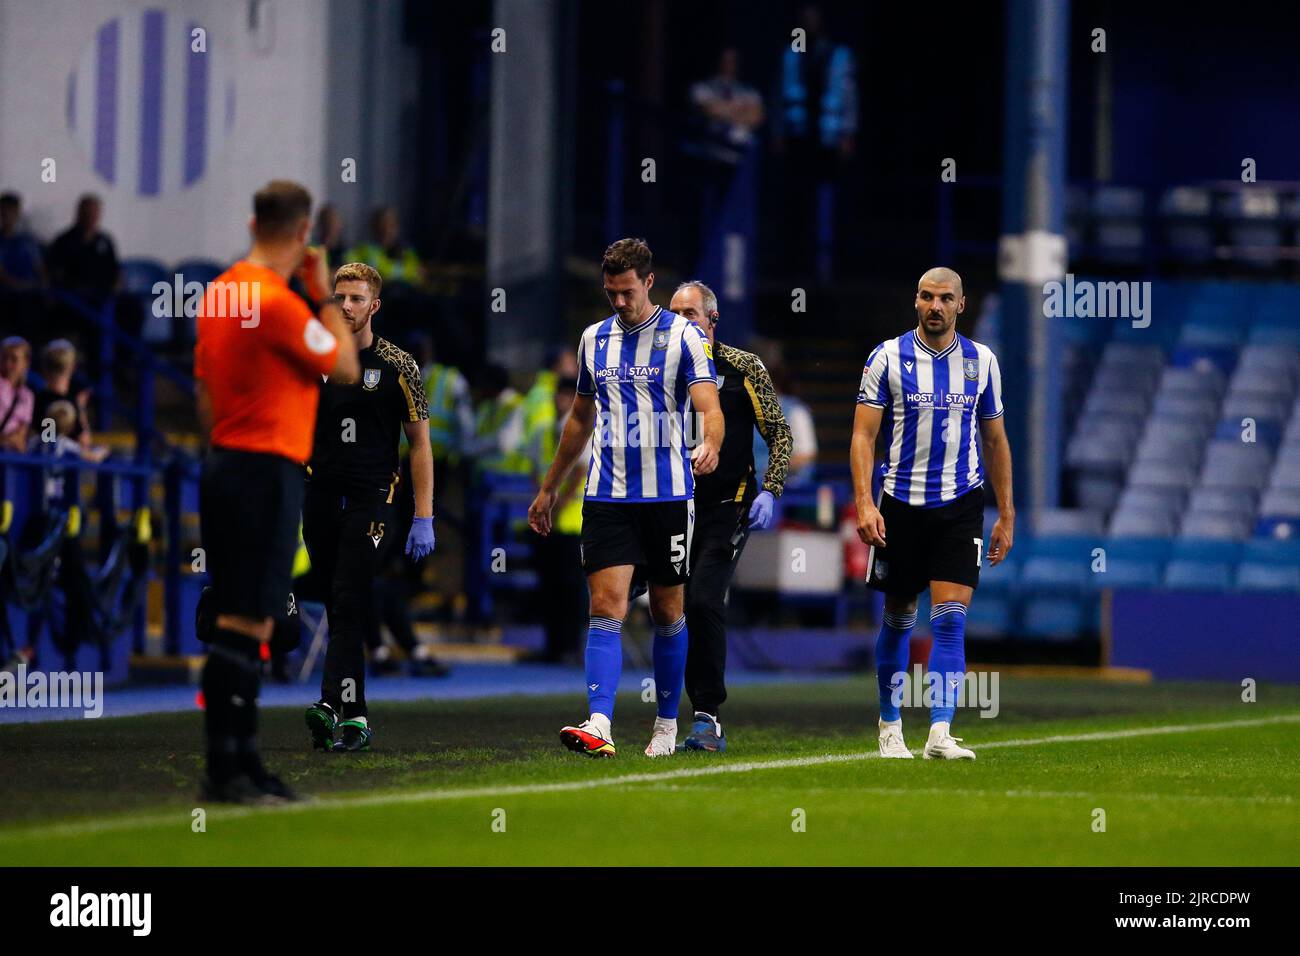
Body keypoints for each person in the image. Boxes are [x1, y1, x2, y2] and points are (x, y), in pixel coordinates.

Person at [194, 180, 358, 802]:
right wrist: (321, 295)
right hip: (266, 467)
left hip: (225, 462)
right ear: (300, 233)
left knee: (245, 616)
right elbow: (342, 365)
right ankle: (231, 770)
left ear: (251, 221)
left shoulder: (218, 294)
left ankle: (239, 765)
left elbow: (205, 391)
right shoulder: (276, 300)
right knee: (249, 619)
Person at [528, 237, 723, 758]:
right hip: (608, 497)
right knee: (605, 607)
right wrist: (549, 489)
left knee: (666, 611)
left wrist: (710, 440)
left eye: (627, 292)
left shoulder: (684, 336)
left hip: (668, 497)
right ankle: (600, 723)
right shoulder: (593, 340)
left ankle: (663, 723)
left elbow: (709, 402)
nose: (618, 302)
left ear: (649, 282)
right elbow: (580, 418)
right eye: (611, 293)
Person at [850, 267, 1015, 761]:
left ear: (961, 305)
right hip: (899, 504)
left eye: (945, 298)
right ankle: (890, 725)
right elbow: (862, 437)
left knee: (949, 621)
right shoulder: (886, 357)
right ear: (916, 301)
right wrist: (863, 501)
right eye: (926, 296)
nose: (934, 306)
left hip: (961, 505)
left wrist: (1005, 513)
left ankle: (940, 731)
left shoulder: (982, 362)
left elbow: (994, 439)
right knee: (899, 618)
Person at [302, 262, 435, 753]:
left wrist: (424, 516)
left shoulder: (400, 365)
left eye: (357, 299)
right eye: (340, 297)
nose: (347, 306)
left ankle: (328, 704)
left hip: (375, 497)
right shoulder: (317, 358)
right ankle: (354, 713)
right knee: (338, 600)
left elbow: (419, 443)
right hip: (319, 491)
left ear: (374, 306)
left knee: (348, 593)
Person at [669, 281, 792, 752]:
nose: (681, 321)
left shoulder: (743, 367)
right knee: (667, 608)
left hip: (726, 507)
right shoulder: (660, 369)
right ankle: (652, 718)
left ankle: (706, 716)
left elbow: (780, 433)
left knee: (701, 599)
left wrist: (770, 491)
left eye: (691, 313)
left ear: (712, 320)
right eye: (674, 313)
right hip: (668, 507)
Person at [526, 374, 589, 663]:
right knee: (548, 586)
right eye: (559, 394)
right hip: (547, 524)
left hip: (572, 523)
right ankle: (553, 647)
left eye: (566, 395)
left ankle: (571, 646)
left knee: (571, 588)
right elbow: (534, 470)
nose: (560, 400)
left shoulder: (579, 429)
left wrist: (555, 503)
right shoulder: (543, 432)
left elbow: (580, 471)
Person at [47, 194, 120, 305]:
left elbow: (115, 270)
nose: (90, 217)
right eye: (87, 212)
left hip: (102, 295)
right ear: (79, 213)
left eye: (94, 213)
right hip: (74, 296)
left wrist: (115, 288)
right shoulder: (64, 240)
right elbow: (55, 272)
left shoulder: (105, 241)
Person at [690, 48, 765, 146]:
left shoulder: (749, 91)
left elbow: (757, 117)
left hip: (743, 147)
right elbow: (710, 110)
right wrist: (741, 110)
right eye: (725, 60)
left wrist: (724, 109)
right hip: (710, 146)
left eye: (733, 61)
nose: (728, 65)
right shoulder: (701, 88)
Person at [32, 340, 94, 446]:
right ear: (72, 367)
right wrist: (81, 407)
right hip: (63, 460)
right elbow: (84, 441)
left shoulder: (37, 398)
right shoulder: (70, 402)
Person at [345, 206, 424, 285]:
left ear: (397, 227)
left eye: (391, 225)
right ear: (374, 226)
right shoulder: (363, 250)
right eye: (382, 224)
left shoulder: (408, 253)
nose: (386, 229)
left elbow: (420, 278)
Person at [0, 336, 35, 452]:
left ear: (26, 363)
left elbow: (21, 436)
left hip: (11, 455)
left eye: (14, 359)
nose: (8, 364)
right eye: (4, 358)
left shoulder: (27, 396)